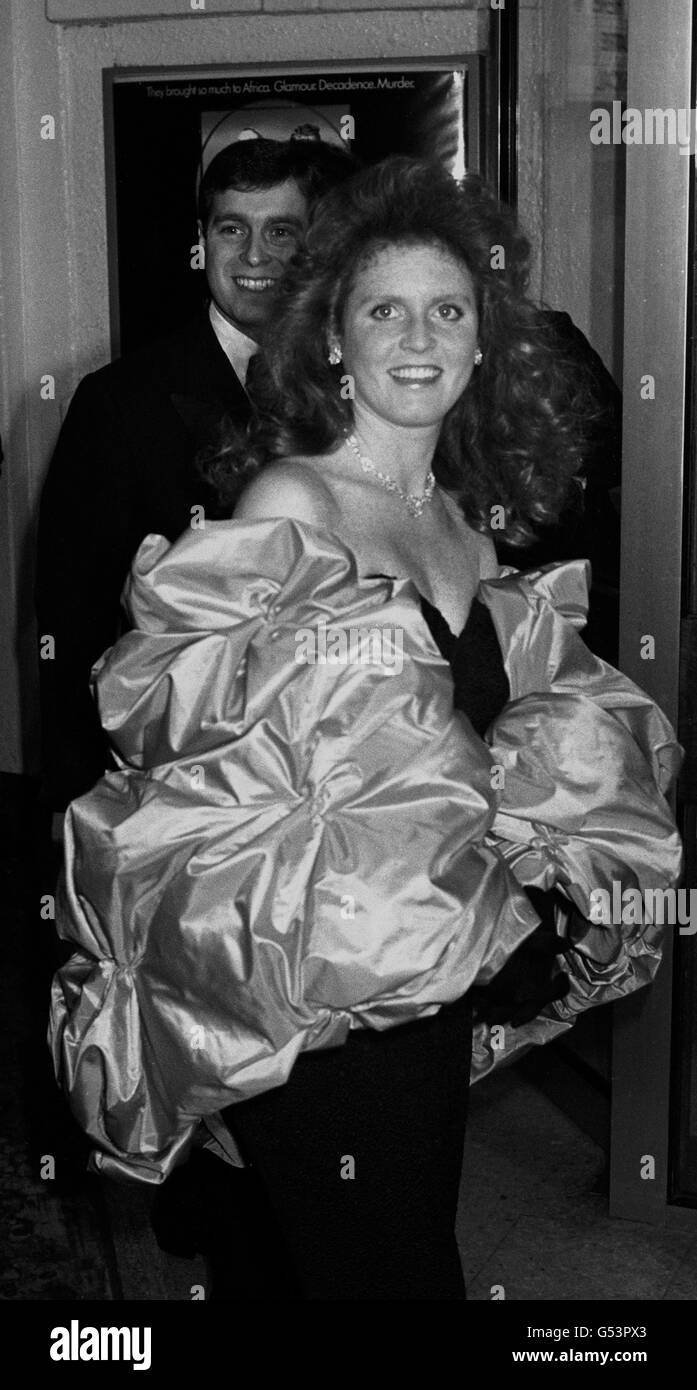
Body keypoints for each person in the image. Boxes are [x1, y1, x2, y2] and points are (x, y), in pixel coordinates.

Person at [49, 157, 682, 1300]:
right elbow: (208, 763)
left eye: (448, 309)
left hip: (423, 1006)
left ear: (483, 342)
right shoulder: (294, 504)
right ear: (333, 340)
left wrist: (523, 898)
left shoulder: (463, 530)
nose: (418, 335)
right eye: (382, 309)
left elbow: (473, 763)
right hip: (319, 1005)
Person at [35, 135, 356, 819]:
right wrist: (81, 810)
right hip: (176, 784)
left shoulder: (359, 384)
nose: (254, 256)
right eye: (231, 229)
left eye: (281, 232)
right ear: (202, 242)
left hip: (337, 774)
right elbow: (71, 619)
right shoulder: (119, 402)